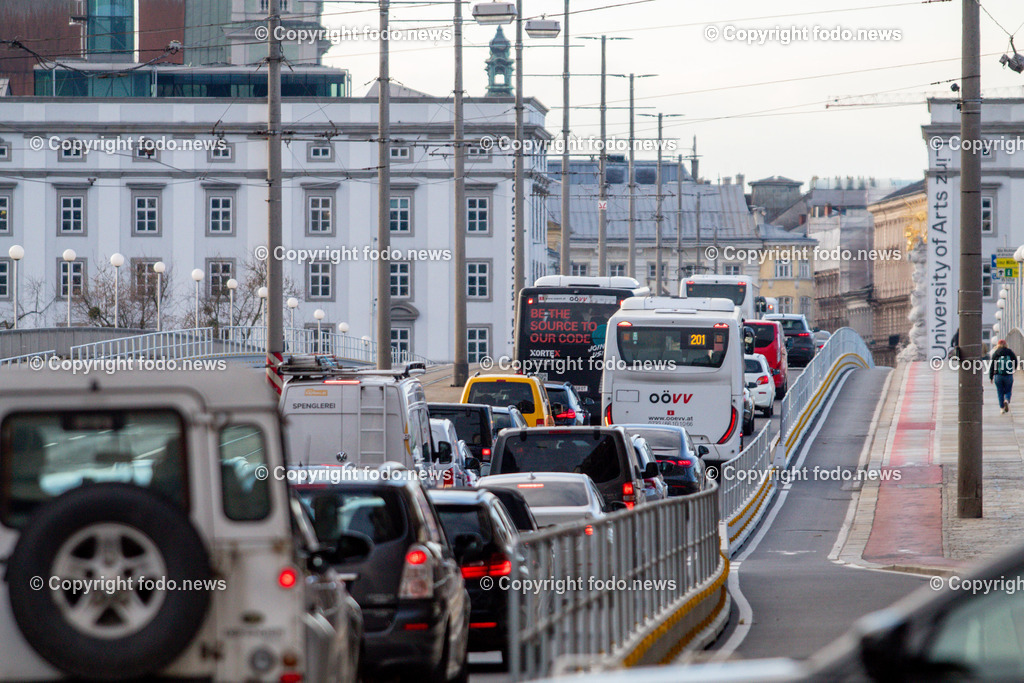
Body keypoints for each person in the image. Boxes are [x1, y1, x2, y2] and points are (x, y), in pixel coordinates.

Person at [990, 339, 1018, 414]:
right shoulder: (1009, 352)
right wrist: (1014, 369)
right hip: (1008, 375)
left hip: (998, 375)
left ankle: (1002, 408)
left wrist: (991, 377)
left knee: (1000, 392)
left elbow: (992, 366)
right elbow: (1015, 361)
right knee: (1008, 390)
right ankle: (1006, 400)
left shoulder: (996, 353)